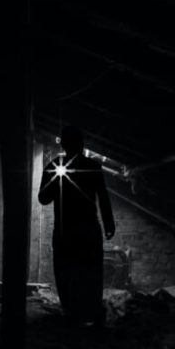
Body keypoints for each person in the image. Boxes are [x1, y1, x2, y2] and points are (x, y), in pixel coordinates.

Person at [38, 125, 116, 327]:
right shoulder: (92, 166)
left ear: (64, 144)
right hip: (86, 232)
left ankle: (75, 314)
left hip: (67, 233)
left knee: (70, 273)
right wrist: (109, 224)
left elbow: (43, 198)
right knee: (87, 273)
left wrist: (54, 178)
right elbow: (103, 198)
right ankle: (85, 314)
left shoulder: (56, 166)